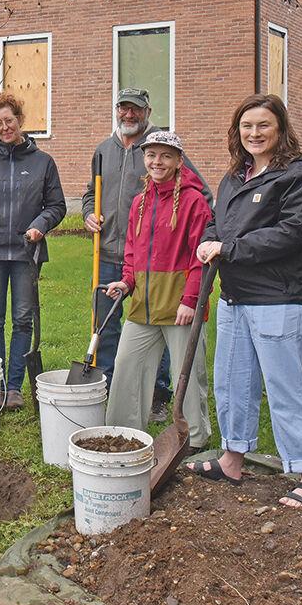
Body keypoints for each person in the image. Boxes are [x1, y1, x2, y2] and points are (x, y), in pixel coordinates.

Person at [188, 94, 302, 508]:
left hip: (279, 297)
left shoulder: (299, 176)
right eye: (247, 126)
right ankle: (232, 458)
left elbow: (293, 232)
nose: (254, 133)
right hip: (235, 296)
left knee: (285, 386)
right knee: (232, 382)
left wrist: (228, 248)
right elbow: (217, 221)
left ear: (280, 129)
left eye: (263, 125)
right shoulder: (235, 177)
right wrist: (209, 240)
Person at [81, 87, 210, 409]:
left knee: (162, 328)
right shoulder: (103, 150)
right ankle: (109, 383)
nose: (128, 115)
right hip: (113, 254)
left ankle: (158, 392)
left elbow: (200, 195)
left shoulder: (161, 147)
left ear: (147, 111)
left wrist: (178, 231)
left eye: (135, 109)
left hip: (160, 262)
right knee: (106, 324)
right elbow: (88, 193)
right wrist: (88, 214)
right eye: (123, 109)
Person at [103, 131, 212, 449]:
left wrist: (191, 300)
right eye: (151, 155)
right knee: (127, 368)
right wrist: (126, 282)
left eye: (165, 155)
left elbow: (201, 258)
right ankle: (122, 434)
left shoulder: (195, 202)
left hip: (180, 306)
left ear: (179, 161)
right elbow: (133, 253)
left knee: (186, 377)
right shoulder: (139, 202)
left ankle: (194, 440)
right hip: (143, 304)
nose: (157, 161)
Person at [0, 92, 67, 410]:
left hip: (26, 253)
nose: (5, 127)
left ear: (20, 120)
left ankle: (15, 389)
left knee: (23, 320)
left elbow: (57, 205)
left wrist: (40, 224)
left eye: (9, 120)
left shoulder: (42, 163)